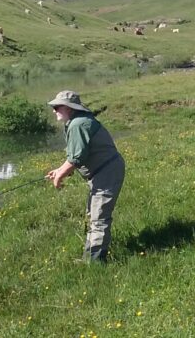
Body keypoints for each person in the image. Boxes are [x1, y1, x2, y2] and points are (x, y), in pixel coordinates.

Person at [45, 90, 125, 263]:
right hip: (103, 172)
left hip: (107, 173)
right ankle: (90, 257)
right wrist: (59, 170)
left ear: (69, 108)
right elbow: (76, 155)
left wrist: (59, 178)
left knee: (99, 217)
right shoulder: (76, 122)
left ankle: (95, 262)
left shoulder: (78, 124)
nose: (54, 110)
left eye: (57, 106)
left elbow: (76, 158)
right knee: (93, 214)